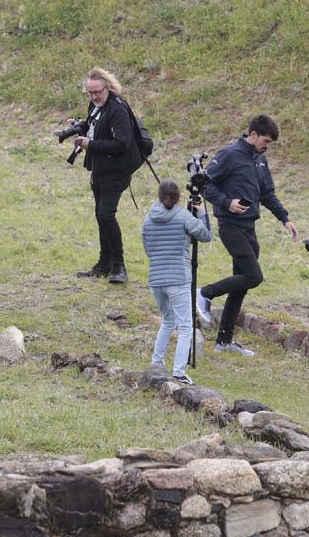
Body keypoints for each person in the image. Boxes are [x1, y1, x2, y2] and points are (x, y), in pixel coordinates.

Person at [197, 114, 299, 356]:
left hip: (250, 227)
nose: (267, 146)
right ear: (253, 134)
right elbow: (202, 183)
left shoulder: (260, 160)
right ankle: (203, 293)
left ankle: (224, 342)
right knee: (253, 276)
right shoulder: (228, 154)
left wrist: (285, 219)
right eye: (265, 141)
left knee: (240, 286)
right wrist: (227, 202)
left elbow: (267, 193)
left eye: (270, 143)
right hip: (230, 226)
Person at [72, 67, 141, 284]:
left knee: (106, 215)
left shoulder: (118, 108)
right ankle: (104, 265)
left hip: (117, 171)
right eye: (89, 93)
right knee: (100, 216)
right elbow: (93, 126)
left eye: (97, 92)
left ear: (108, 87)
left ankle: (119, 266)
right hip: (99, 168)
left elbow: (122, 143)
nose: (93, 97)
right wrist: (77, 127)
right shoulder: (96, 105)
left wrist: (90, 145)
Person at [141, 179, 213, 385]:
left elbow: (148, 249)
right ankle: (179, 371)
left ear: (158, 195)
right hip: (178, 278)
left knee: (167, 320)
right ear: (179, 196)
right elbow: (206, 235)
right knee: (185, 326)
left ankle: (157, 363)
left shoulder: (148, 218)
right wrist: (201, 212)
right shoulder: (183, 216)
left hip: (156, 279)